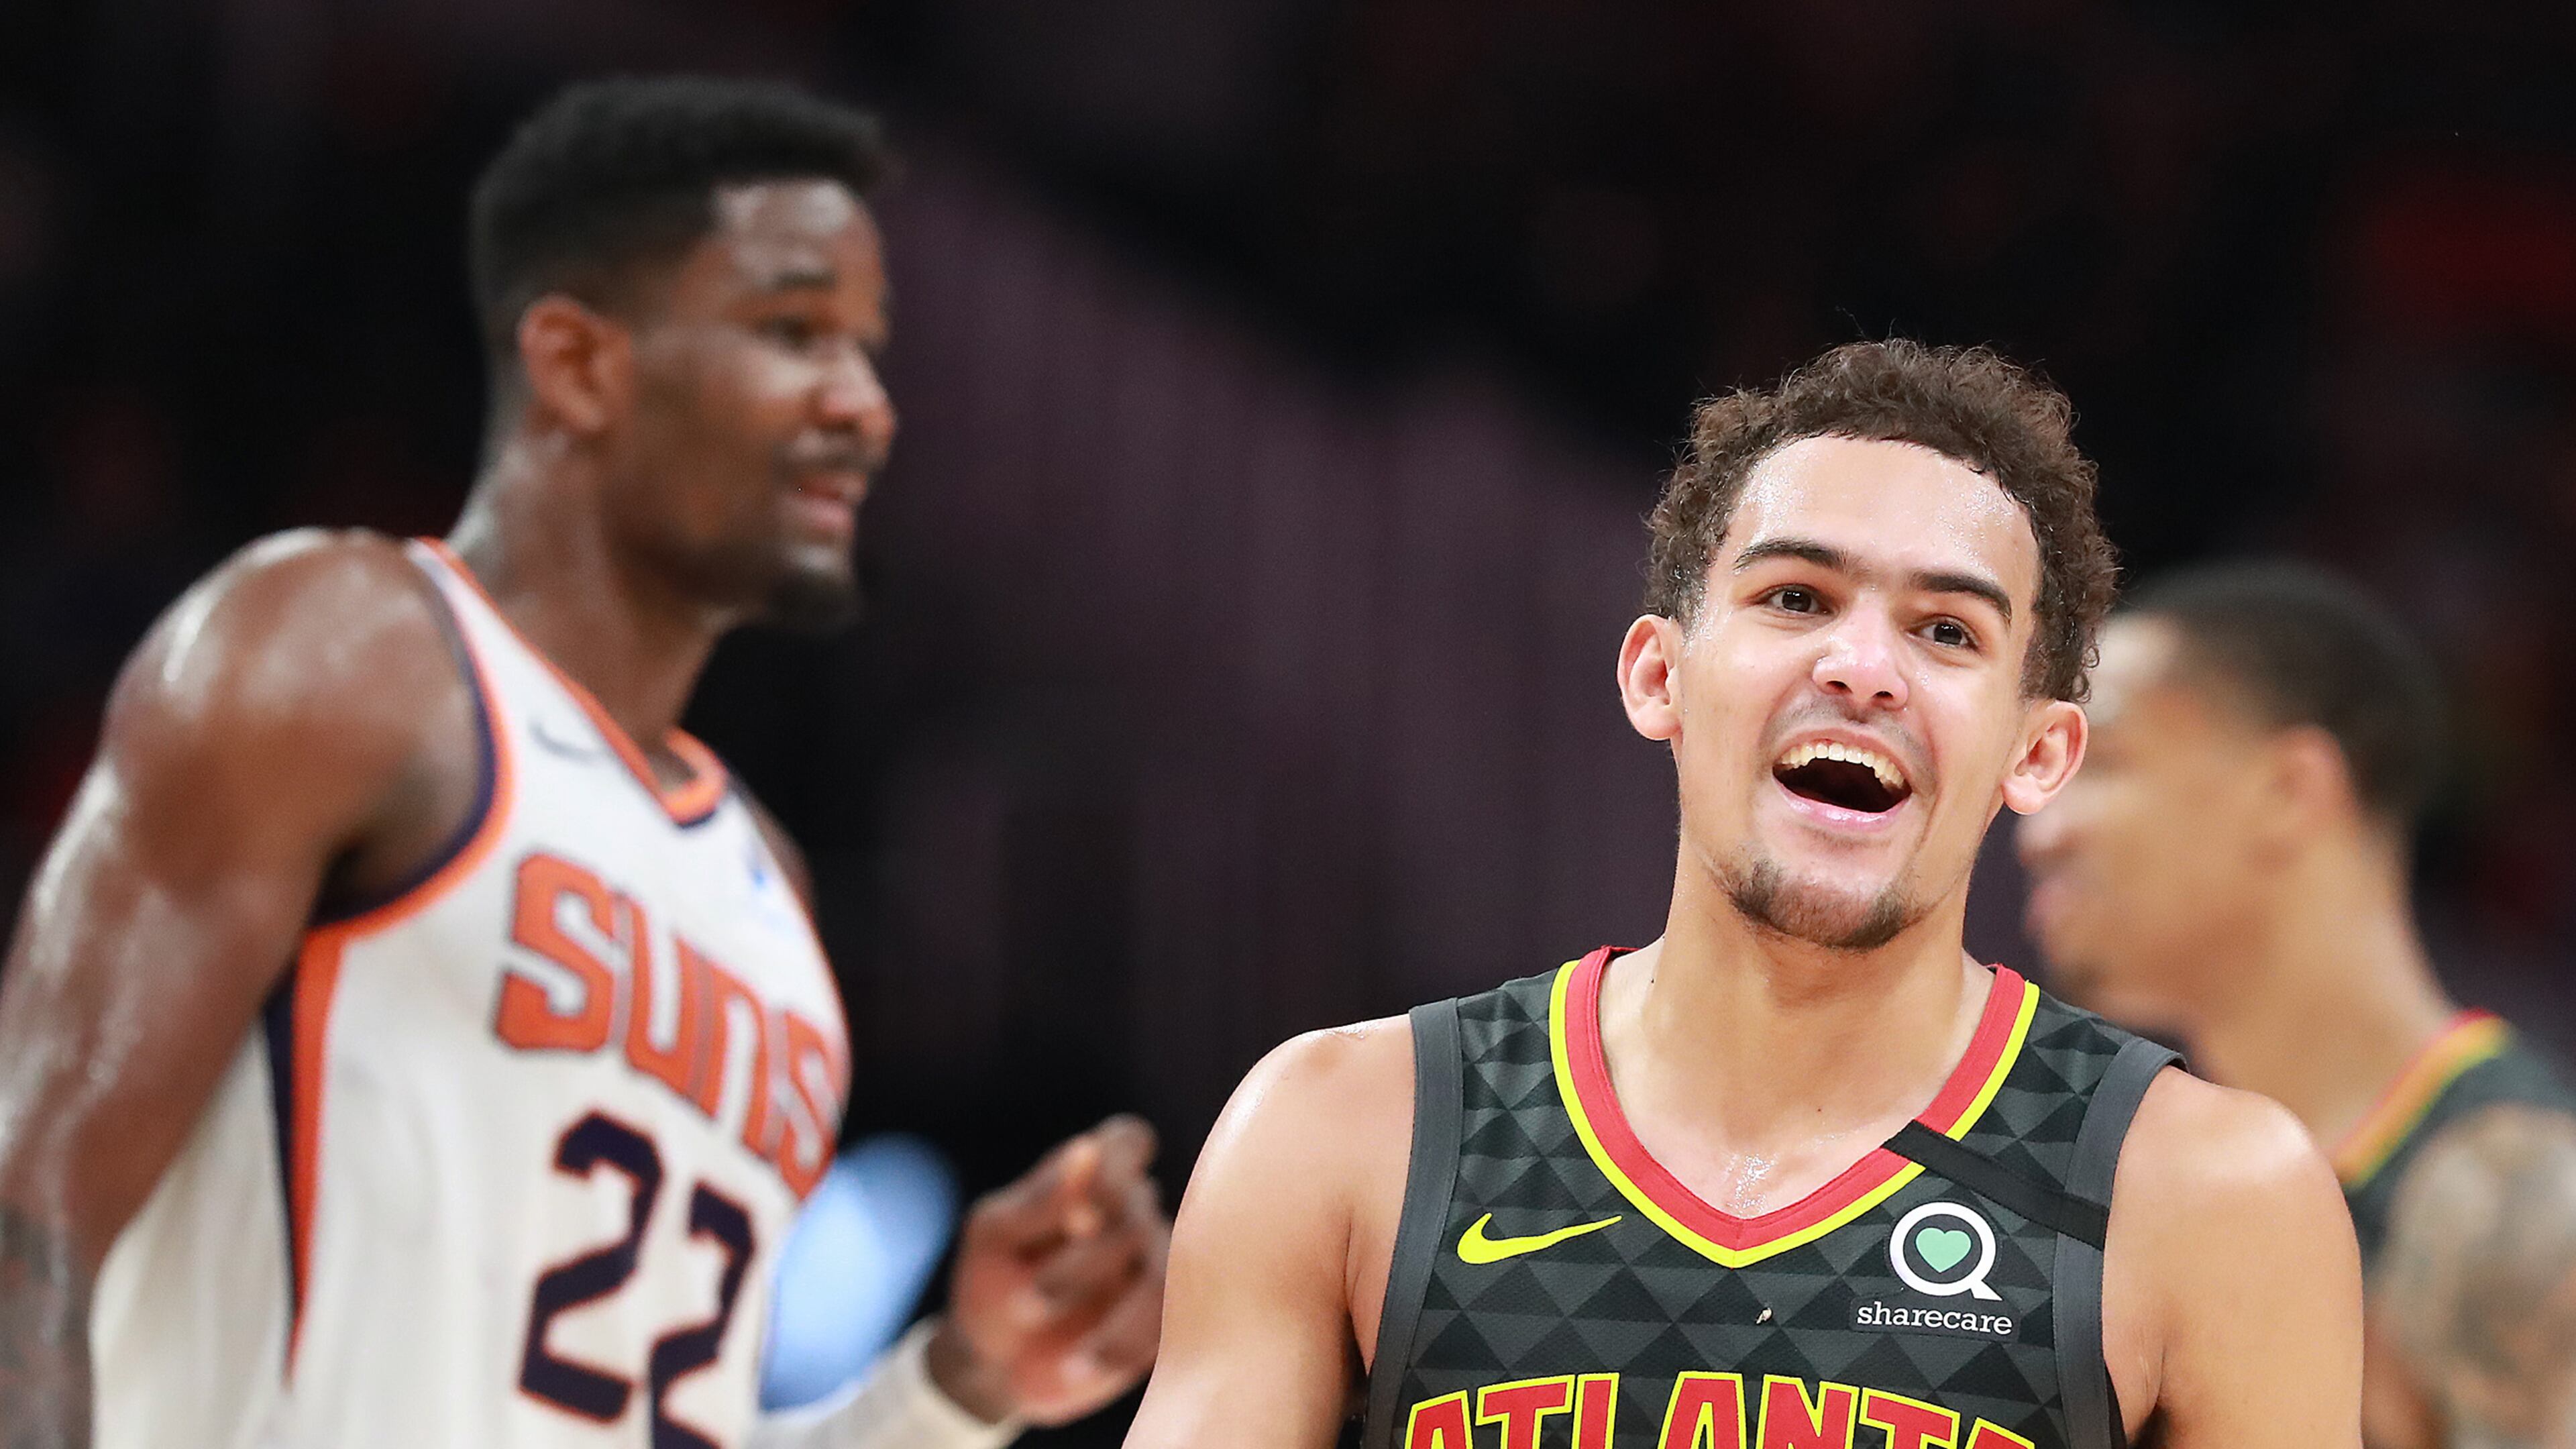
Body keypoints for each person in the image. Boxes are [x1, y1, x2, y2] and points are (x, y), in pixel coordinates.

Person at [0, 76, 1165, 1449]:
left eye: (867, 349)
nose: (861, 406)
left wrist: (961, 1385)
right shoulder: (344, 656)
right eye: (793, 332)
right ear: (579, 364)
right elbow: (29, 1222)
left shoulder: (769, 898)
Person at [1126, 341, 2363, 1449]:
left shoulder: (2206, 1196)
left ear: (2037, 754)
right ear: (1659, 676)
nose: (1863, 668)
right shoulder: (1346, 1130)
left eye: (1947, 632)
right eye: (1796, 598)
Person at [2016, 560, 2576, 1448]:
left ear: (2290, 791)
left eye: (2106, 763)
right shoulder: (2153, 1178)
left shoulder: (2533, 1205)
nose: (2042, 826)